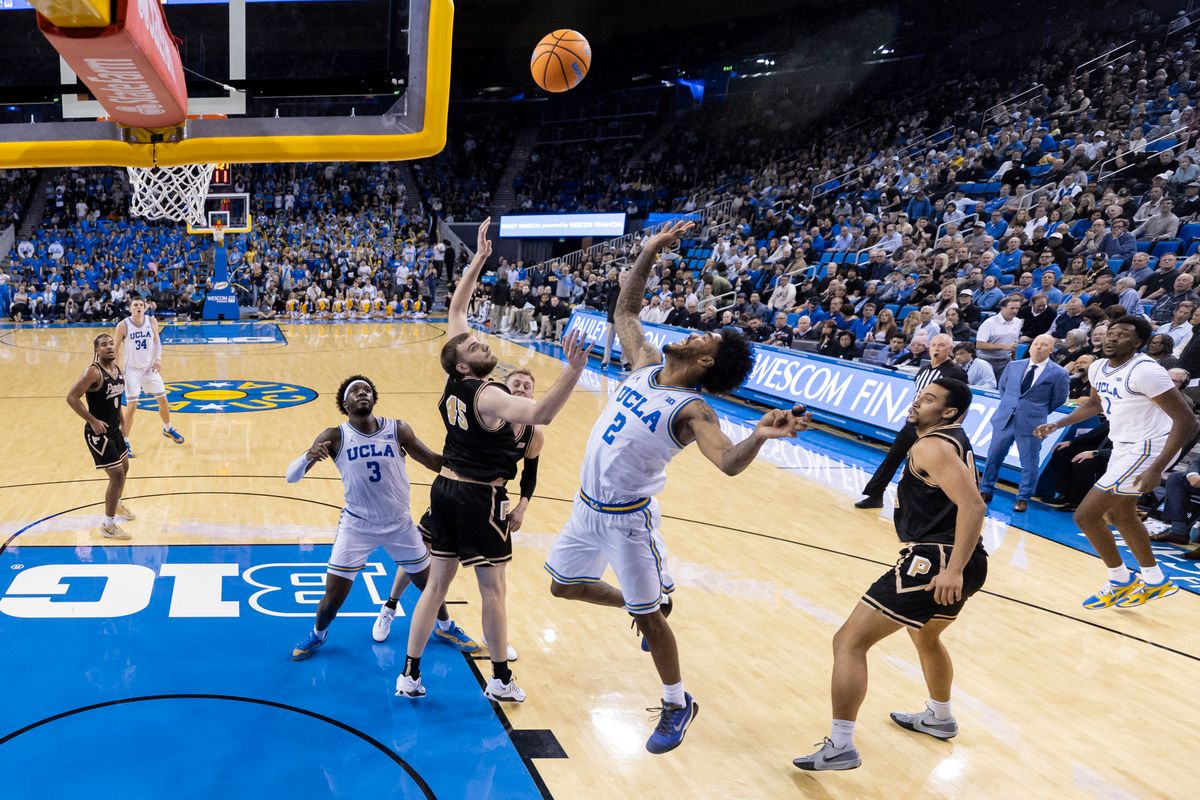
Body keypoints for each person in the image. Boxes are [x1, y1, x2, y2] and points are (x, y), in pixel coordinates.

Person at [544, 220, 807, 754]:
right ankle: (644, 608)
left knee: (648, 618)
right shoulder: (643, 366)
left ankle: (676, 702)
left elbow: (727, 463)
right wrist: (648, 251)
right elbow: (625, 311)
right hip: (585, 507)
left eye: (700, 337)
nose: (687, 331)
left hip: (628, 520)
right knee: (563, 587)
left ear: (704, 362)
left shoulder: (693, 410)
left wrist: (757, 435)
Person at [395, 218, 590, 704]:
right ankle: (501, 679)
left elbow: (458, 308)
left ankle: (410, 674)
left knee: (437, 586)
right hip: (480, 497)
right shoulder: (489, 397)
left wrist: (478, 259)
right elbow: (541, 412)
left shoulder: (454, 381)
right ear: (464, 363)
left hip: (444, 489)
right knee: (493, 590)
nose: (483, 342)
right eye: (477, 346)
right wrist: (573, 372)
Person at [794, 379, 987, 771]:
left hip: (936, 559)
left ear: (948, 412)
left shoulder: (931, 445)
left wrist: (952, 570)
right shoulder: (953, 438)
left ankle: (841, 746)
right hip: (965, 558)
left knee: (848, 641)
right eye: (920, 395)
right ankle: (940, 716)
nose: (918, 401)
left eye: (930, 399)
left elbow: (974, 507)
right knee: (926, 634)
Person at [286, 375, 477, 660]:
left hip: (399, 525)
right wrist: (306, 457)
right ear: (344, 403)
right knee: (333, 599)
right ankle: (317, 634)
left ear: (374, 399)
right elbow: (291, 477)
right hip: (356, 527)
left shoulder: (397, 429)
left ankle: (446, 626)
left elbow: (433, 462)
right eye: (354, 391)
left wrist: (470, 468)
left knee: (430, 585)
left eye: (366, 390)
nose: (362, 393)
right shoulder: (334, 436)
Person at [376, 367, 544, 663]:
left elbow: (530, 475)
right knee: (419, 555)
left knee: (493, 584)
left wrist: (522, 506)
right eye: (515, 384)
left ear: (533, 394)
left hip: (489, 500)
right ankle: (390, 606)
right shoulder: (486, 415)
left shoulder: (533, 434)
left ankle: (495, 642)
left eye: (527, 386)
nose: (521, 389)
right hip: (454, 491)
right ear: (501, 391)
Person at [1034, 315, 1199, 608]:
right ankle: (1154, 579)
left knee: (1085, 516)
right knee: (1119, 514)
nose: (1112, 337)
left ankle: (1120, 580)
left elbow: (1187, 422)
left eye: (1122, 334)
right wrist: (1059, 424)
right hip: (1126, 445)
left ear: (1138, 343)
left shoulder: (1147, 371)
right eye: (1111, 332)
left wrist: (1157, 468)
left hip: (1150, 446)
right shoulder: (1097, 367)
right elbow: (1096, 405)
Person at [855, 334, 967, 508]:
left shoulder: (955, 372)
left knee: (923, 467)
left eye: (942, 346)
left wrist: (950, 428)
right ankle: (875, 494)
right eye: (934, 345)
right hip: (914, 422)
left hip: (935, 426)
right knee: (892, 457)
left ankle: (926, 507)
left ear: (950, 349)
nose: (937, 348)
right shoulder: (924, 370)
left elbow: (963, 403)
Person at [978, 334, 1069, 512]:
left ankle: (1023, 497)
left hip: (1033, 422)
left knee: (1029, 463)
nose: (1039, 347)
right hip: (1005, 418)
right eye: (1036, 343)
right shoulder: (1013, 365)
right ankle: (986, 489)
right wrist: (1011, 406)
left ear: (1052, 349)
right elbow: (1002, 388)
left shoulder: (1059, 372)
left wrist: (1036, 411)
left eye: (1044, 345)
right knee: (993, 456)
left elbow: (1058, 399)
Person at [66, 334, 134, 539]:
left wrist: (122, 421)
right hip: (99, 434)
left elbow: (115, 398)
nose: (109, 347)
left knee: (125, 467)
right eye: (104, 345)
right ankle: (108, 525)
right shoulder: (93, 372)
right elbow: (71, 397)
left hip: (114, 429)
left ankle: (117, 502)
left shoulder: (116, 369)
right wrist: (92, 421)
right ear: (97, 350)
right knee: (117, 475)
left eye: (111, 343)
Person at [115, 296, 184, 456]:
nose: (138, 307)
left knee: (164, 402)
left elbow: (157, 342)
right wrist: (116, 369)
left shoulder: (151, 321)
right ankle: (124, 441)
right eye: (135, 305)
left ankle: (167, 429)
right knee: (131, 408)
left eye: (141, 304)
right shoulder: (123, 325)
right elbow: (116, 347)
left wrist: (158, 359)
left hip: (149, 369)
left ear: (145, 307)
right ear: (130, 308)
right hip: (132, 371)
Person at [974, 294, 1025, 379]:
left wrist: (1013, 358)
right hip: (986, 361)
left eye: (1017, 308)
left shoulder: (1018, 322)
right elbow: (979, 345)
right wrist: (1003, 346)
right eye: (1012, 308)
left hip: (1006, 361)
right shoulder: (989, 323)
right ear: (1002, 308)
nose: (1015, 311)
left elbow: (1014, 343)